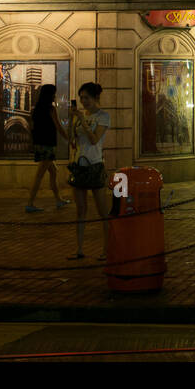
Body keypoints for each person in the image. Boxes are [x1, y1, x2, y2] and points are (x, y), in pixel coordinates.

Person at [64, 82, 111, 259]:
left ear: (96, 98)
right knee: (80, 209)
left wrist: (82, 120)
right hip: (79, 165)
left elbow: (94, 139)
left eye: (87, 98)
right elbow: (71, 140)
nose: (84, 102)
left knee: (102, 210)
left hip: (95, 165)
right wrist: (71, 120)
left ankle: (106, 249)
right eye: (81, 98)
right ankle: (79, 249)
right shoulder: (79, 116)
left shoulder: (103, 117)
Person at [25, 84, 70, 213]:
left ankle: (59, 200)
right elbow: (58, 126)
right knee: (39, 175)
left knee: (53, 171)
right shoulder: (50, 109)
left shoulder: (35, 109)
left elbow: (31, 127)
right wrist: (68, 138)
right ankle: (30, 203)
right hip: (48, 145)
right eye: (54, 93)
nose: (55, 96)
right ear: (50, 95)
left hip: (39, 144)